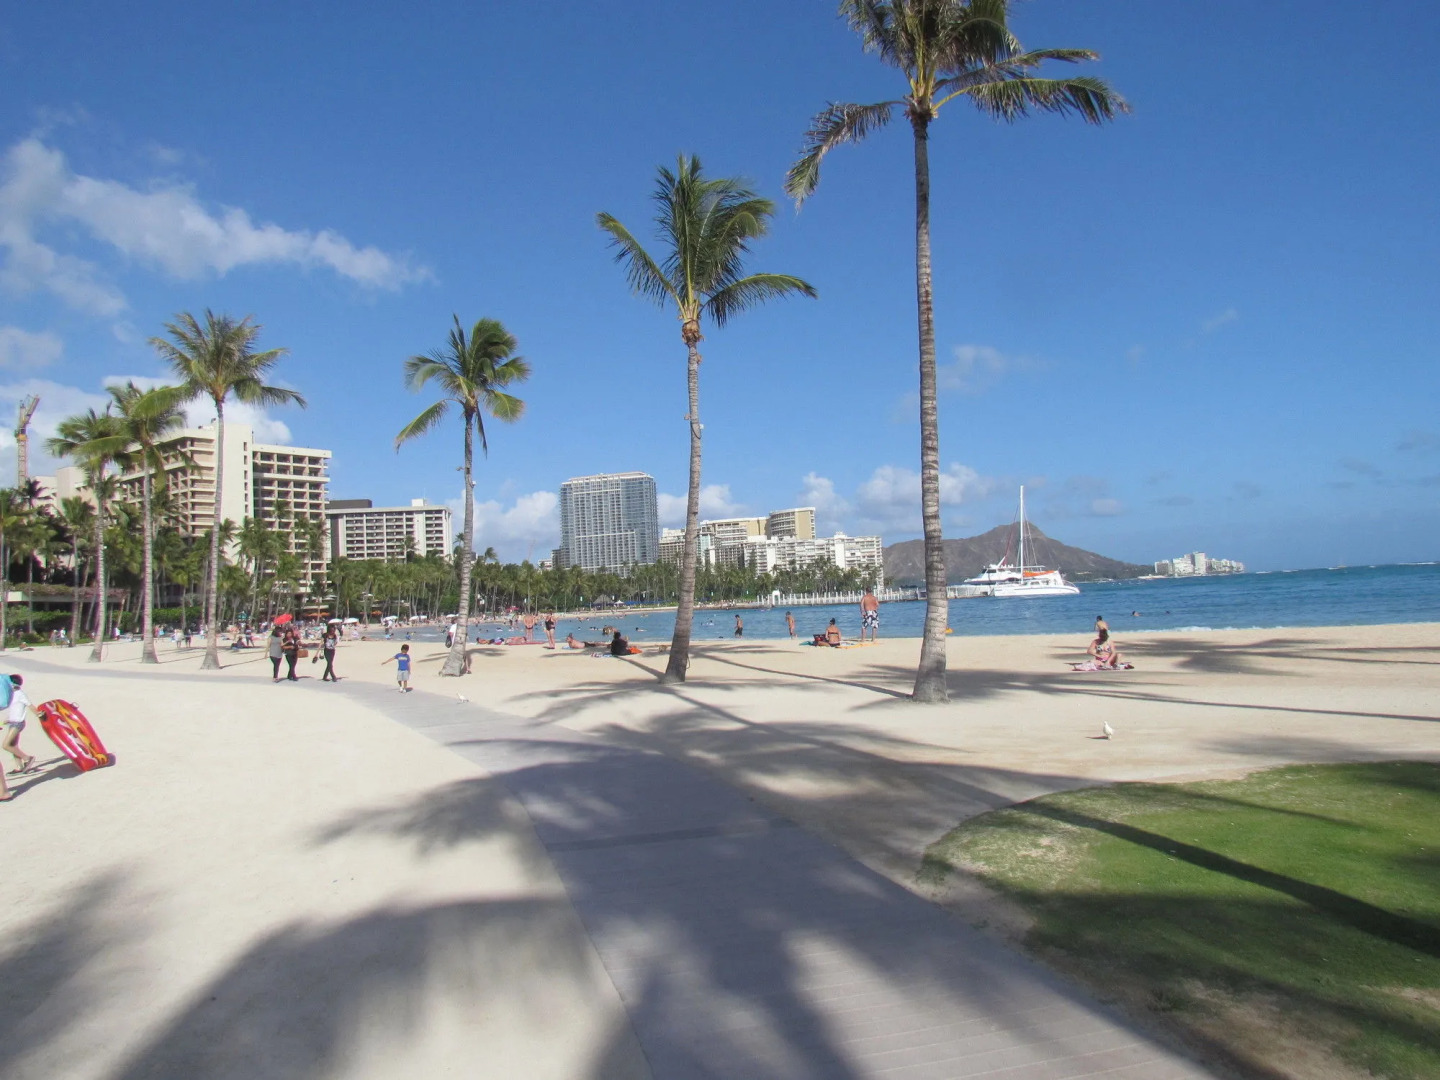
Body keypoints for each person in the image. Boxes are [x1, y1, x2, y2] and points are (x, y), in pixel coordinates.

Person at [3, 675, 36, 776]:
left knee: (6, 745)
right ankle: (19, 767)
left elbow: (30, 705)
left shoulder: (20, 694)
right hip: (12, 722)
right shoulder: (12, 694)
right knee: (13, 746)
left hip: (18, 724)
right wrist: (8, 719)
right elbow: (15, 709)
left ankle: (27, 758)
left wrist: (39, 714)